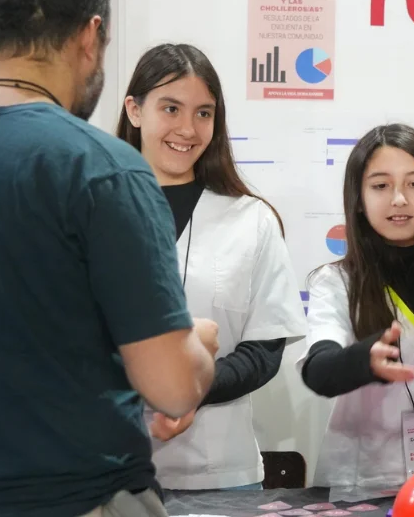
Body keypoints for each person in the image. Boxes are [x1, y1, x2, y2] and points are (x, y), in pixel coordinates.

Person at [0, 0, 217, 517]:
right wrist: (198, 344)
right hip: (77, 498)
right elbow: (170, 386)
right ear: (90, 35)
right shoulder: (101, 167)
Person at [116, 44, 307, 495]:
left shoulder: (252, 219)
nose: (188, 128)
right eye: (171, 108)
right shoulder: (93, 210)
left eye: (204, 113)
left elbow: (264, 349)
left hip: (222, 473)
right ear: (135, 110)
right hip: (112, 468)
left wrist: (193, 388)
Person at [297, 124, 414, 501]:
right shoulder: (336, 281)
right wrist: (362, 361)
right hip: (368, 480)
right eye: (380, 186)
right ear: (358, 198)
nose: (399, 199)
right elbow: (318, 369)